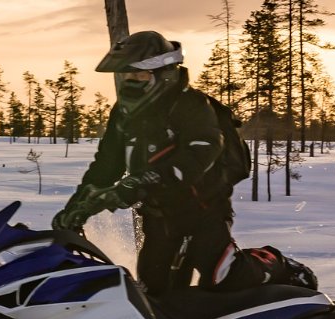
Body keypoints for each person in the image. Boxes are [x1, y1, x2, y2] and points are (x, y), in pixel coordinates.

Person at [51, 31, 316, 296]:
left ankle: (277, 263)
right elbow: (105, 166)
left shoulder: (192, 105)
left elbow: (202, 151)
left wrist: (141, 181)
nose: (130, 82)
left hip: (203, 210)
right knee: (154, 293)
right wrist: (77, 208)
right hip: (156, 216)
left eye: (139, 75)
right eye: (126, 75)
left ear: (164, 73)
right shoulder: (123, 114)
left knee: (223, 277)